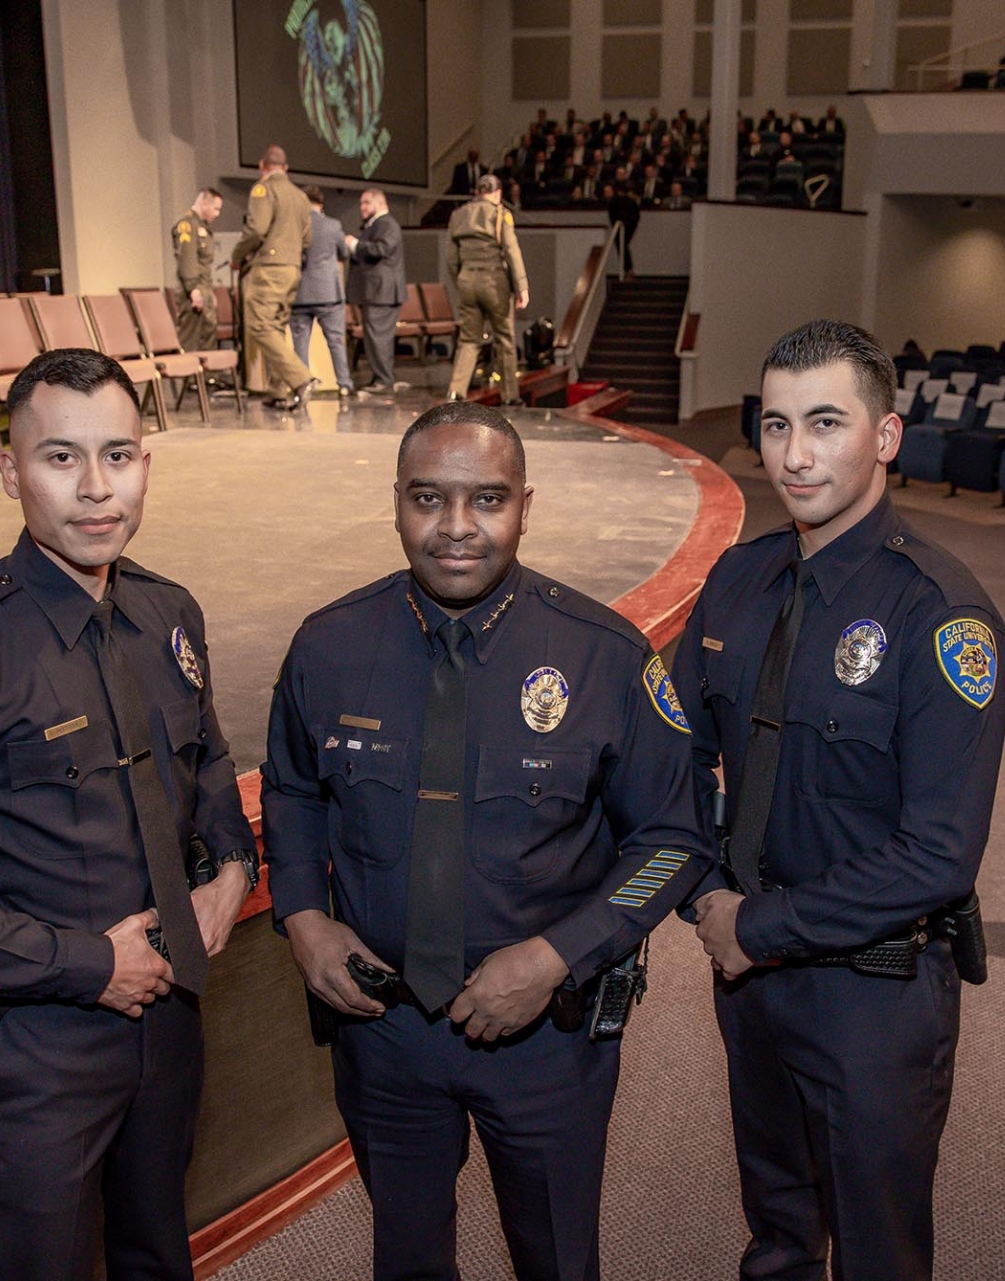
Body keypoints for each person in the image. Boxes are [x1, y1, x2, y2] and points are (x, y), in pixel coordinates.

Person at [0, 348, 258, 1281]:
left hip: (175, 1017)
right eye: (61, 458)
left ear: (149, 461)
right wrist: (89, 963)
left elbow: (210, 755)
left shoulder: (169, 613)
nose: (97, 488)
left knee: (159, 1253)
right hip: (41, 1048)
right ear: (9, 469)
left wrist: (232, 865)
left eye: (119, 453)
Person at [261, 402, 711, 1280]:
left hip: (547, 1038)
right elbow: (291, 789)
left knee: (554, 1255)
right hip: (383, 1026)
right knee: (408, 1254)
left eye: (487, 500)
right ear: (396, 501)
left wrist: (557, 955)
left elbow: (671, 839)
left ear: (526, 506)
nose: (456, 528)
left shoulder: (603, 655)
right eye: (428, 499)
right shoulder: (328, 644)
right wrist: (303, 917)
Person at [673, 320, 1005, 1281]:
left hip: (873, 990)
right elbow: (677, 756)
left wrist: (759, 925)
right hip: (746, 968)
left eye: (826, 423)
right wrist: (707, 898)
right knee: (777, 1227)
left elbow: (938, 852)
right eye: (776, 426)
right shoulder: (738, 580)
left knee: (877, 1249)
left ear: (887, 436)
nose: (796, 455)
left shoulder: (941, 615)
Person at [232, 144, 317, 411]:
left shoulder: (263, 189)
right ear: (286, 168)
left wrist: (237, 255)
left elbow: (256, 229)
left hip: (269, 267)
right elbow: (307, 238)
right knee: (276, 326)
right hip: (292, 268)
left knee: (259, 325)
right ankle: (280, 389)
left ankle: (301, 379)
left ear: (262, 165)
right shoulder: (300, 196)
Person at [446, 174, 528, 405]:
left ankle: (456, 391)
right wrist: (522, 286)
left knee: (469, 339)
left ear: (477, 192)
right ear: (498, 192)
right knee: (505, 338)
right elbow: (512, 252)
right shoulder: (501, 214)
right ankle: (510, 395)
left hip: (467, 279)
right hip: (494, 281)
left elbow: (451, 257)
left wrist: (460, 279)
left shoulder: (458, 215)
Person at [289, 185, 352, 399]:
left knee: (300, 342)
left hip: (301, 293)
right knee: (335, 341)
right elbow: (343, 252)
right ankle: (344, 384)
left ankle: (302, 385)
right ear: (321, 203)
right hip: (328, 294)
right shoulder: (333, 225)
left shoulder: (295, 226)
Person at [344, 186, 407, 397]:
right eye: (361, 203)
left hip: (382, 293)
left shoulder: (387, 224)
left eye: (366, 202)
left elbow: (381, 250)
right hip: (376, 293)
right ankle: (380, 377)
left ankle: (384, 380)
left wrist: (355, 245)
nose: (362, 207)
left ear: (380, 203)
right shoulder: (375, 225)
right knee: (374, 338)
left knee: (378, 337)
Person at [172, 188, 222, 354]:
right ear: (203, 203)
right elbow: (187, 259)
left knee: (207, 336)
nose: (217, 214)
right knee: (191, 340)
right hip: (192, 290)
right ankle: (185, 380)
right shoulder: (187, 225)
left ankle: (206, 380)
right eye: (215, 208)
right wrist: (193, 289)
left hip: (204, 287)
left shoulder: (202, 226)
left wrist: (208, 292)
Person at [604, 182, 640, 279]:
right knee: (622, 247)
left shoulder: (614, 202)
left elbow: (613, 217)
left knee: (622, 246)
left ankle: (628, 269)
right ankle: (628, 269)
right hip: (627, 227)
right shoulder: (631, 201)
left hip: (622, 228)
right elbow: (636, 216)